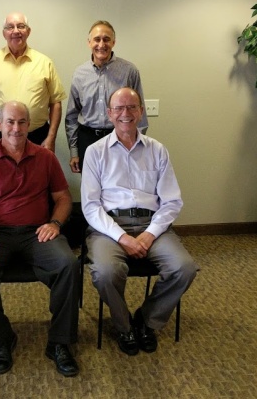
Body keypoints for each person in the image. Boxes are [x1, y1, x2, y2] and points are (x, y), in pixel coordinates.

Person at [0, 101, 80, 377]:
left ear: (30, 125)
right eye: (10, 122)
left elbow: (63, 199)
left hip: (37, 232)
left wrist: (54, 222)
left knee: (68, 265)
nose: (16, 128)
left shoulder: (46, 158)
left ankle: (59, 342)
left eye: (22, 122)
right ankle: (1, 339)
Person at [81, 87, 198, 356]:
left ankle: (146, 320)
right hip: (109, 227)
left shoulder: (158, 150)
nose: (126, 114)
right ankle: (124, 327)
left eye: (132, 107)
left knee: (185, 268)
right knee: (106, 272)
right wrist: (122, 237)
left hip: (152, 226)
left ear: (141, 111)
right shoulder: (95, 152)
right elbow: (90, 206)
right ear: (109, 114)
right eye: (119, 108)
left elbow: (171, 201)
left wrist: (149, 234)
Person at [0, 12, 66, 153]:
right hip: (0, 138)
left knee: (37, 175)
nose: (16, 31)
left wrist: (51, 138)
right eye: (10, 27)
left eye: (21, 26)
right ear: (4, 33)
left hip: (37, 137)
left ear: (28, 31)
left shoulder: (45, 63)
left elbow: (56, 103)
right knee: (2, 175)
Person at [65, 20, 148, 173]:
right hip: (88, 139)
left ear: (114, 42)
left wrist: (137, 146)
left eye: (106, 39)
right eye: (97, 39)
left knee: (122, 187)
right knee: (91, 189)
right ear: (89, 42)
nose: (101, 44)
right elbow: (71, 116)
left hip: (121, 137)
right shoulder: (79, 74)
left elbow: (140, 113)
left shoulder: (129, 71)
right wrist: (74, 151)